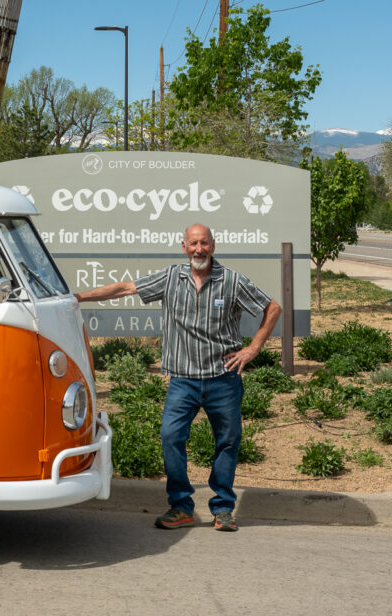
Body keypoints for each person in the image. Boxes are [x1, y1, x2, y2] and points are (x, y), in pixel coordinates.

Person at [76, 222, 281, 532]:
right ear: (184, 247)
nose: (199, 249)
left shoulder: (232, 281)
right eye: (193, 243)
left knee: (228, 441)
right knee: (171, 437)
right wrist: (77, 297)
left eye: (204, 243)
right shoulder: (171, 277)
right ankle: (181, 506)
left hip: (223, 379)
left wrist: (253, 348)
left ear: (214, 245)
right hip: (183, 381)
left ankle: (223, 508)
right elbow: (125, 288)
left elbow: (272, 307)